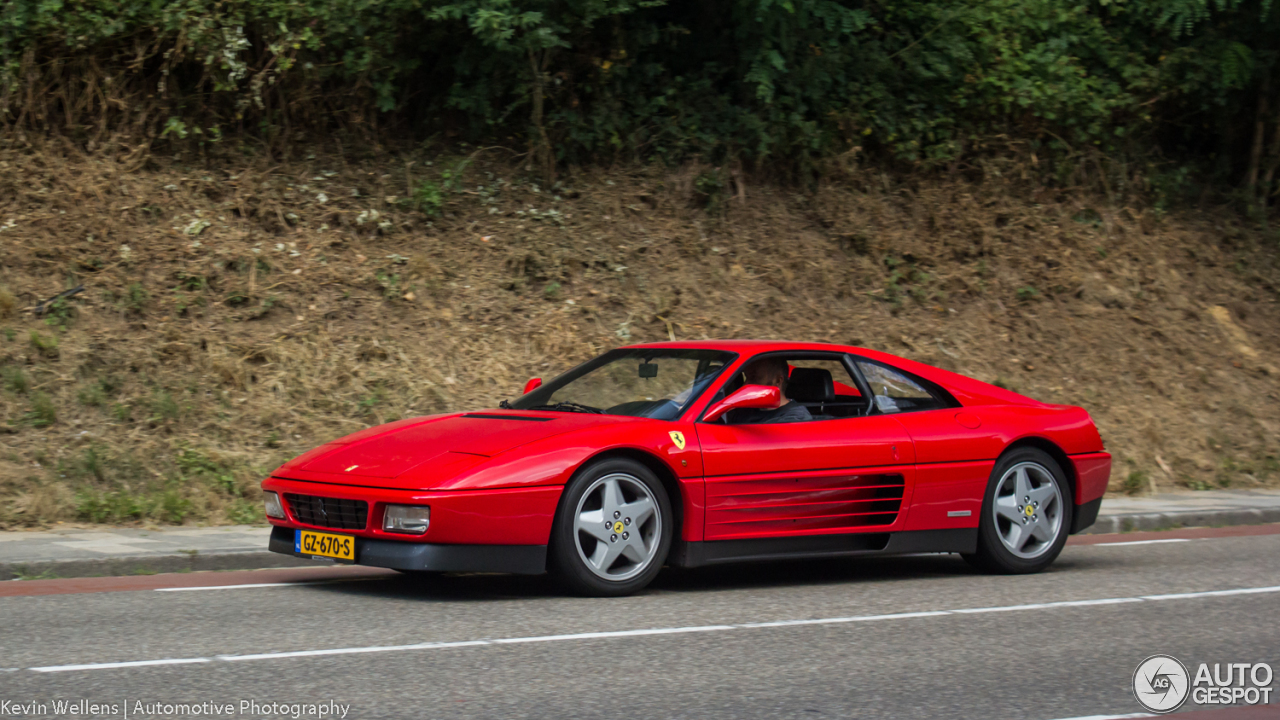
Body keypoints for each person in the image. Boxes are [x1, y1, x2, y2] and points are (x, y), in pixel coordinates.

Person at [725, 356, 813, 424]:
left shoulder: (796, 418)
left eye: (754, 378)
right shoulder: (745, 411)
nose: (745, 385)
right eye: (746, 377)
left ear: (778, 381)